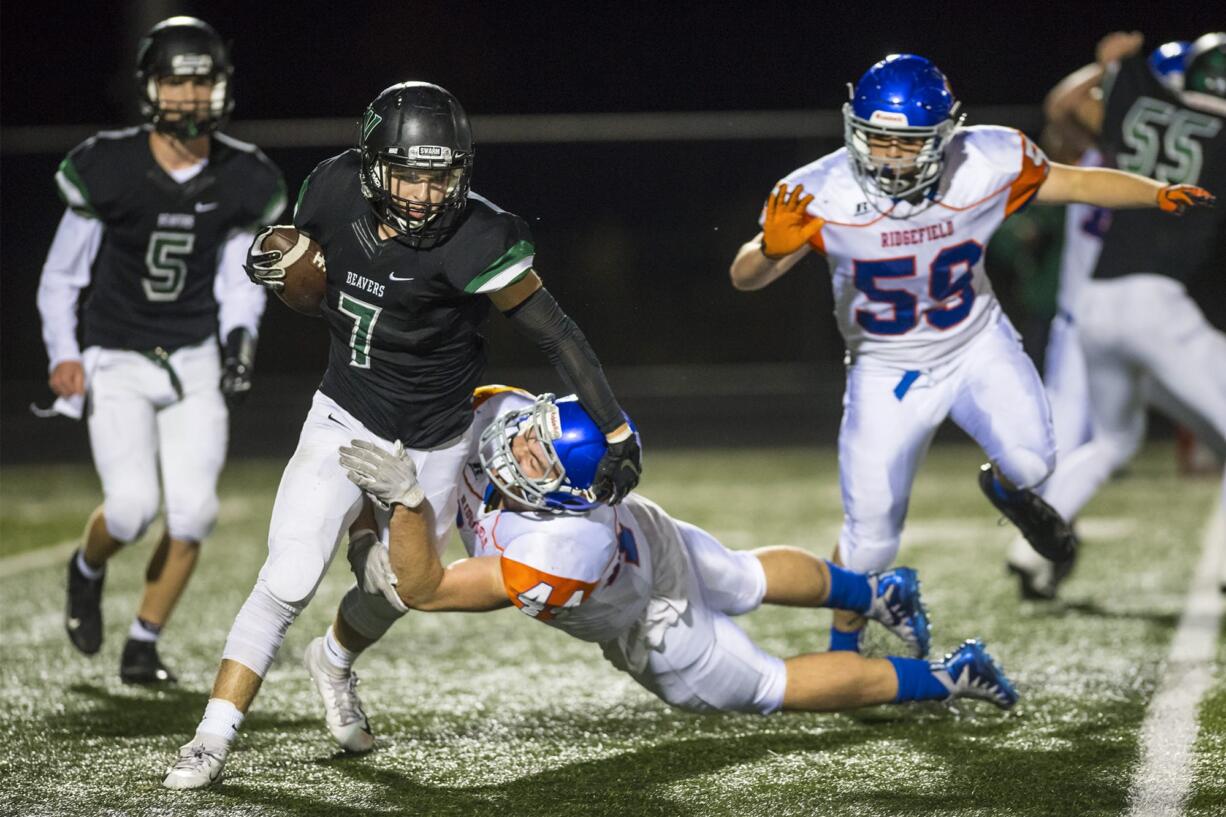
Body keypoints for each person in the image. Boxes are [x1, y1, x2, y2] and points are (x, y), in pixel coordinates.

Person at [163, 82, 641, 789]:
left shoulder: (481, 235)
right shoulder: (329, 191)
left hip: (436, 439)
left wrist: (617, 427)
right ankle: (211, 736)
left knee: (404, 588)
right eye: (409, 174)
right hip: (346, 412)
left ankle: (333, 659)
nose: (423, 194)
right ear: (371, 166)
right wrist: (277, 268)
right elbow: (314, 291)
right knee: (291, 573)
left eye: (439, 176)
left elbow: (556, 332)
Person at [728, 54, 1215, 651]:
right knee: (872, 534)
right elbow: (744, 278)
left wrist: (1154, 192)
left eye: (907, 144)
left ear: (943, 137)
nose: (889, 156)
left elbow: (1078, 180)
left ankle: (1008, 491)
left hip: (976, 345)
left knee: (1034, 465)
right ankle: (844, 650)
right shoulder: (816, 190)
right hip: (887, 369)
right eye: (877, 139)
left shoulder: (985, 161)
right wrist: (767, 253)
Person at [296, 386, 1012, 765]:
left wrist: (411, 501)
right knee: (742, 573)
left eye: (540, 461)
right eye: (530, 432)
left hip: (647, 616)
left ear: (569, 497)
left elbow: (429, 589)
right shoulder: (509, 414)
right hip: (647, 531)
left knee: (768, 684)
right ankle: (878, 592)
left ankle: (950, 675)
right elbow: (480, 408)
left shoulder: (559, 550)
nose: (518, 447)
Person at [37, 16, 285, 684]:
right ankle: (86, 568)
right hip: (116, 356)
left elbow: (241, 280)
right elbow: (63, 275)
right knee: (128, 508)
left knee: (196, 510)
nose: (189, 94)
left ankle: (143, 642)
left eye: (202, 80)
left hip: (194, 356)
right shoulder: (109, 164)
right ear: (151, 86)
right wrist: (63, 349)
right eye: (175, 80)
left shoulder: (243, 176)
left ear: (220, 88)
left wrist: (240, 342)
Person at [1009, 33, 1218, 598]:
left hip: (1095, 307)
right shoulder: (1214, 133)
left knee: (1111, 442)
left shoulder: (1127, 127)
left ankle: (1029, 546)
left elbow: (1066, 107)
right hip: (1157, 308)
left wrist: (1110, 66)